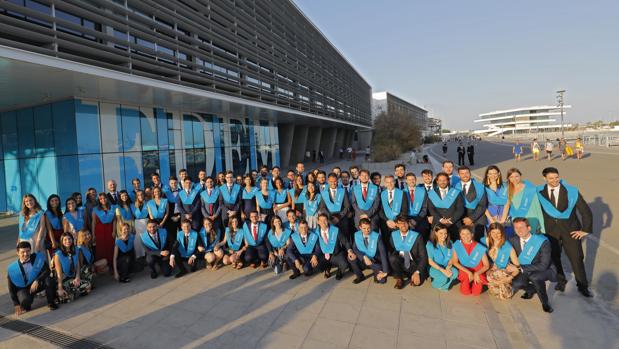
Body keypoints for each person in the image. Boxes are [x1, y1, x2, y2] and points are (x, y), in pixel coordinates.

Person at [537, 167, 593, 297]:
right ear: (544, 178)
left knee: (577, 258)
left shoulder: (571, 191)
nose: (555, 180)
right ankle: (561, 281)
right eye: (551, 178)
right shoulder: (539, 192)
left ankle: (582, 286)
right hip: (550, 232)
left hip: (571, 231)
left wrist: (585, 230)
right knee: (555, 258)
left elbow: (585, 211)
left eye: (556, 177)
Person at [510, 218, 556, 312]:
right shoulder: (513, 240)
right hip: (525, 268)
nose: (519, 230)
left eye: (521, 227)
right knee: (516, 283)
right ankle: (531, 289)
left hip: (543, 269)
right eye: (516, 228)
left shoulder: (542, 241)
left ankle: (545, 302)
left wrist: (520, 268)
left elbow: (544, 265)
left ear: (529, 228)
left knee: (535, 277)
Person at [8, 241, 57, 315]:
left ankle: (51, 302)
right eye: (22, 252)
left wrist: (37, 280)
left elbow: (47, 270)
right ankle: (27, 300)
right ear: (17, 253)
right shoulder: (13, 268)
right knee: (25, 304)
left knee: (49, 280)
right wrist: (16, 304)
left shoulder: (36, 258)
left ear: (30, 251)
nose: (25, 254)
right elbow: (11, 288)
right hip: (24, 288)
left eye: (28, 251)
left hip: (37, 284)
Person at [389, 217, 428, 289]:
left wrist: (417, 272)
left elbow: (423, 257)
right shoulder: (393, 235)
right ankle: (399, 278)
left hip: (414, 264)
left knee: (417, 283)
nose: (403, 225)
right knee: (392, 258)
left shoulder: (417, 236)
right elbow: (392, 251)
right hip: (401, 264)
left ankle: (413, 275)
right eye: (400, 223)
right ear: (397, 225)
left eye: (405, 223)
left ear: (409, 224)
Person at [483, 223, 520, 300]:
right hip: (490, 269)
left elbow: (517, 266)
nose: (495, 235)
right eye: (493, 232)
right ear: (489, 232)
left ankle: (504, 283)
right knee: (495, 290)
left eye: (498, 233)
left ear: (502, 233)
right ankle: (497, 284)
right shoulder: (485, 241)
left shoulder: (507, 246)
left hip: (502, 270)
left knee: (505, 296)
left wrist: (510, 277)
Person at [452, 226, 489, 296]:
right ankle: (467, 281)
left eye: (468, 234)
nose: (465, 236)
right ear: (460, 234)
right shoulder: (457, 245)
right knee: (465, 292)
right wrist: (469, 272)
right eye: (463, 234)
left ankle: (474, 281)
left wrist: (477, 273)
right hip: (465, 270)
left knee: (476, 292)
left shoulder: (479, 247)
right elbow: (455, 262)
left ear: (472, 234)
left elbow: (486, 265)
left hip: (478, 271)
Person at [314, 213, 354, 280]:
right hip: (324, 255)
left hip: (336, 253)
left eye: (325, 220)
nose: (323, 222)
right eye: (321, 220)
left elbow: (345, 241)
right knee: (316, 265)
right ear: (318, 222)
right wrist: (314, 256)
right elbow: (317, 247)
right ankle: (327, 268)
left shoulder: (335, 230)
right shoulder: (316, 233)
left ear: (328, 221)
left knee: (344, 264)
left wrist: (349, 251)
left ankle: (339, 270)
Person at [350, 218, 389, 284]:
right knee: (351, 258)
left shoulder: (377, 236)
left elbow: (383, 253)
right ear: (360, 227)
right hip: (363, 260)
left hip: (374, 261)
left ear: (371, 226)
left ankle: (375, 272)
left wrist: (385, 271)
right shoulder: (357, 235)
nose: (366, 230)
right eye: (364, 228)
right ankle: (360, 277)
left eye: (368, 228)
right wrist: (364, 257)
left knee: (382, 281)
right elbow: (355, 249)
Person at [427, 172, 464, 241]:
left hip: (454, 224)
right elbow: (431, 209)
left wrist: (451, 220)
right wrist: (441, 219)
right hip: (437, 224)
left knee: (455, 247)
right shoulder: (432, 193)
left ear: (448, 181)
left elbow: (460, 209)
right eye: (440, 180)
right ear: (437, 181)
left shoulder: (456, 192)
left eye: (444, 180)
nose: (442, 182)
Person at [507, 168, 545, 234]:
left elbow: (538, 207)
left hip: (531, 219)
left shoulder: (529, 188)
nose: (514, 179)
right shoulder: (507, 190)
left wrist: (542, 225)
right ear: (508, 178)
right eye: (511, 177)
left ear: (520, 176)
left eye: (517, 176)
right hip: (517, 220)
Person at [54, 233, 89, 302]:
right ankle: (68, 292)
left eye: (69, 239)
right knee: (69, 298)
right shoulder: (58, 254)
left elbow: (78, 265)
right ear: (61, 241)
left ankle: (74, 292)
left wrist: (77, 277)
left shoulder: (76, 249)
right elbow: (59, 274)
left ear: (72, 240)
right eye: (65, 239)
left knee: (88, 283)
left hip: (74, 276)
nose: (68, 241)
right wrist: (60, 287)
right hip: (64, 278)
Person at [458, 166, 488, 241]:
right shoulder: (454, 187)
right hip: (461, 220)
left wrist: (471, 218)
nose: (465, 175)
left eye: (467, 173)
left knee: (478, 244)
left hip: (477, 220)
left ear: (470, 174)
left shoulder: (479, 186)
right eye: (462, 173)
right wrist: (464, 219)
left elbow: (483, 205)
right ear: (459, 175)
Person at [378, 175, 408, 250]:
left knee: (398, 245)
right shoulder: (382, 194)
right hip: (386, 223)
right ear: (385, 183)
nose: (390, 184)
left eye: (391, 181)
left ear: (394, 182)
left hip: (398, 224)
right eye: (387, 182)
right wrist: (387, 220)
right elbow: (380, 210)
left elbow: (404, 210)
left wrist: (395, 222)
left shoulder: (402, 193)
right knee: (387, 245)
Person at [426, 224, 458, 291]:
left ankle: (445, 285)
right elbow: (430, 261)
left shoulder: (450, 243)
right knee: (443, 278)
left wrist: (449, 267)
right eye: (441, 233)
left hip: (446, 266)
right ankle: (435, 283)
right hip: (435, 267)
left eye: (445, 233)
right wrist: (443, 270)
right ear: (436, 233)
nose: (443, 236)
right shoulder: (430, 244)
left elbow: (452, 257)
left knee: (455, 273)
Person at [320, 173, 351, 240]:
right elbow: (322, 207)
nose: (333, 183)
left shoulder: (343, 191)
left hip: (342, 219)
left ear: (337, 181)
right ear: (328, 181)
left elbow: (347, 206)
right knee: (334, 240)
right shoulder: (324, 193)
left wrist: (339, 217)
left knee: (345, 239)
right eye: (331, 181)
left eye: (335, 181)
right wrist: (330, 217)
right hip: (330, 220)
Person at [484, 166, 512, 237]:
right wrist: (491, 220)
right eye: (490, 173)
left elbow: (507, 203)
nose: (493, 176)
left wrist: (503, 219)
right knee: (494, 239)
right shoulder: (483, 187)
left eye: (495, 173)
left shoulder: (505, 186)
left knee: (508, 238)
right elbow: (483, 206)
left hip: (505, 217)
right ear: (487, 174)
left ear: (499, 174)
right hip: (491, 217)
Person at [92, 193, 116, 266]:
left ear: (107, 199)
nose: (103, 200)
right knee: (101, 248)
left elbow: (114, 220)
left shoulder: (112, 208)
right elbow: (93, 222)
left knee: (111, 247)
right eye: (101, 199)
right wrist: (93, 234)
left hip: (110, 229)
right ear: (99, 200)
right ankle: (102, 267)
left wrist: (114, 231)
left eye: (104, 198)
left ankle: (112, 265)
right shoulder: (95, 209)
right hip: (99, 230)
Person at [404, 172, 429, 241]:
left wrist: (416, 220)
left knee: (422, 235)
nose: (411, 181)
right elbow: (402, 209)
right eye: (409, 180)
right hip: (407, 219)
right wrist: (408, 220)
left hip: (420, 218)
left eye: (413, 179)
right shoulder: (402, 192)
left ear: (416, 180)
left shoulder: (423, 191)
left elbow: (425, 208)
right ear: (406, 181)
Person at [132, 190, 149, 260]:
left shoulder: (148, 203)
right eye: (138, 195)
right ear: (136, 196)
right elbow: (132, 217)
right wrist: (133, 226)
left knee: (146, 239)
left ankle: (147, 256)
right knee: (137, 241)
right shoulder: (133, 205)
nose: (140, 196)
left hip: (146, 222)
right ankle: (139, 257)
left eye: (141, 194)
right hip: (137, 224)